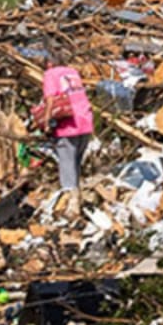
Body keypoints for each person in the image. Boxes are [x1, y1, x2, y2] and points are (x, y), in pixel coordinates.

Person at [32, 55, 94, 215]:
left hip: (67, 124)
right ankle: (77, 194)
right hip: (85, 119)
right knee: (76, 162)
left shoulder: (51, 74)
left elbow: (50, 99)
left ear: (50, 63)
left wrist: (46, 123)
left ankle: (71, 202)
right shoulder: (72, 72)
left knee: (66, 160)